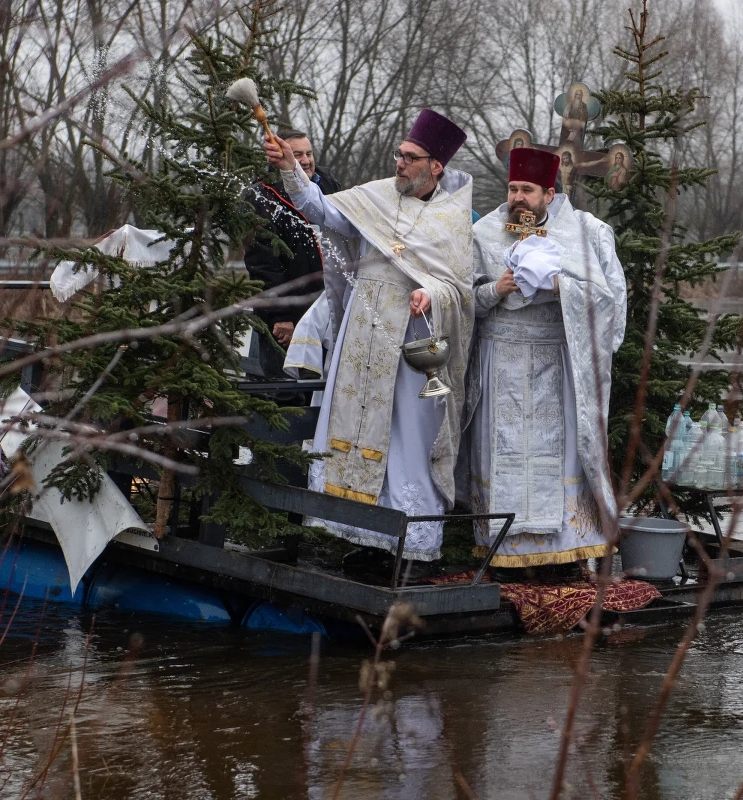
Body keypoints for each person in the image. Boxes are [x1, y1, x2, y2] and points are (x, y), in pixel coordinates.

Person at [264, 108, 474, 564]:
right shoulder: (376, 197)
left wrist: (431, 293)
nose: (399, 163)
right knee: (356, 436)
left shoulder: (452, 219)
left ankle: (409, 548)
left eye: (411, 157)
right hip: (362, 338)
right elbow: (321, 209)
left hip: (412, 349)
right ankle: (364, 537)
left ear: (436, 166)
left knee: (405, 447)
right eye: (399, 154)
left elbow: (460, 289)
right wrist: (291, 170)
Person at [462, 147, 626, 570]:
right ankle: (503, 553)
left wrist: (560, 287)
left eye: (528, 190)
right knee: (501, 454)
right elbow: (463, 302)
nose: (518, 197)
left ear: (549, 193)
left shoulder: (585, 234)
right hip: (499, 365)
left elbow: (610, 302)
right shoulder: (483, 235)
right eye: (513, 188)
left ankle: (567, 555)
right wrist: (493, 291)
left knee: (561, 455)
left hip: (557, 365)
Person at [244, 129, 341, 378]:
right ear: (279, 157)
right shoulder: (263, 197)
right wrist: (281, 315)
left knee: (322, 387)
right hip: (287, 317)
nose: (307, 160)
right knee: (286, 391)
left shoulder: (327, 185)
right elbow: (263, 264)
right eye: (297, 154)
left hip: (326, 311)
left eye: (309, 153)